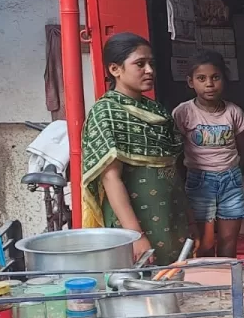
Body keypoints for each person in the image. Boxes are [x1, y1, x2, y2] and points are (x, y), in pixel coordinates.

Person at [81, 33, 190, 265]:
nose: (149, 70)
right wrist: (136, 236)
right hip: (136, 221)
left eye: (151, 63)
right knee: (141, 286)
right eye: (140, 64)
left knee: (177, 282)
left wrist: (190, 221)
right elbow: (111, 179)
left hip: (172, 215)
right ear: (115, 69)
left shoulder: (158, 111)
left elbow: (174, 170)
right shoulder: (107, 113)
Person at [174, 50, 244, 258]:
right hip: (199, 180)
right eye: (201, 78)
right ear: (191, 82)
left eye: (215, 77)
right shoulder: (184, 112)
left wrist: (236, 170)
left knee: (228, 242)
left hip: (231, 180)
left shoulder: (234, 112)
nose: (209, 84)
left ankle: (227, 288)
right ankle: (206, 288)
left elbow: (241, 147)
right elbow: (176, 149)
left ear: (224, 80)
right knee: (204, 243)